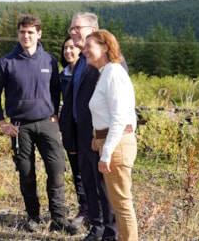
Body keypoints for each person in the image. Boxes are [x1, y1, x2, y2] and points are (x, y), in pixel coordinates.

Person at [0, 14, 80, 236]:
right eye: (22, 32)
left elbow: (56, 88)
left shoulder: (49, 60)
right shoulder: (6, 62)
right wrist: (1, 122)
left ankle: (58, 218)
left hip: (47, 124)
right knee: (26, 173)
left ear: (39, 33)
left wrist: (56, 114)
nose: (26, 36)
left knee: (56, 170)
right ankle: (33, 217)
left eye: (30, 32)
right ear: (18, 34)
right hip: (20, 127)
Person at [59, 12, 118, 241]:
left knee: (104, 188)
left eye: (77, 28)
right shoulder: (81, 60)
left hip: (98, 136)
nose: (72, 32)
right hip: (81, 135)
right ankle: (97, 229)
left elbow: (117, 102)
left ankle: (111, 234)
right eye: (70, 29)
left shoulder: (108, 62)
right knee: (89, 186)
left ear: (93, 29)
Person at [84, 30, 138, 241]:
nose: (84, 50)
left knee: (122, 204)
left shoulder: (114, 73)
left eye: (90, 46)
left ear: (105, 47)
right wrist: (97, 138)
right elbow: (107, 114)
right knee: (119, 203)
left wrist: (106, 152)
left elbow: (120, 117)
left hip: (116, 146)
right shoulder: (105, 73)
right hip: (109, 141)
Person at [59, 36, 89, 225]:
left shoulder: (89, 71)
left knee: (92, 171)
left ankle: (99, 212)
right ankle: (84, 209)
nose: (69, 51)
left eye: (72, 47)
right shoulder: (62, 75)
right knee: (77, 170)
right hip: (70, 129)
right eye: (65, 48)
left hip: (87, 128)